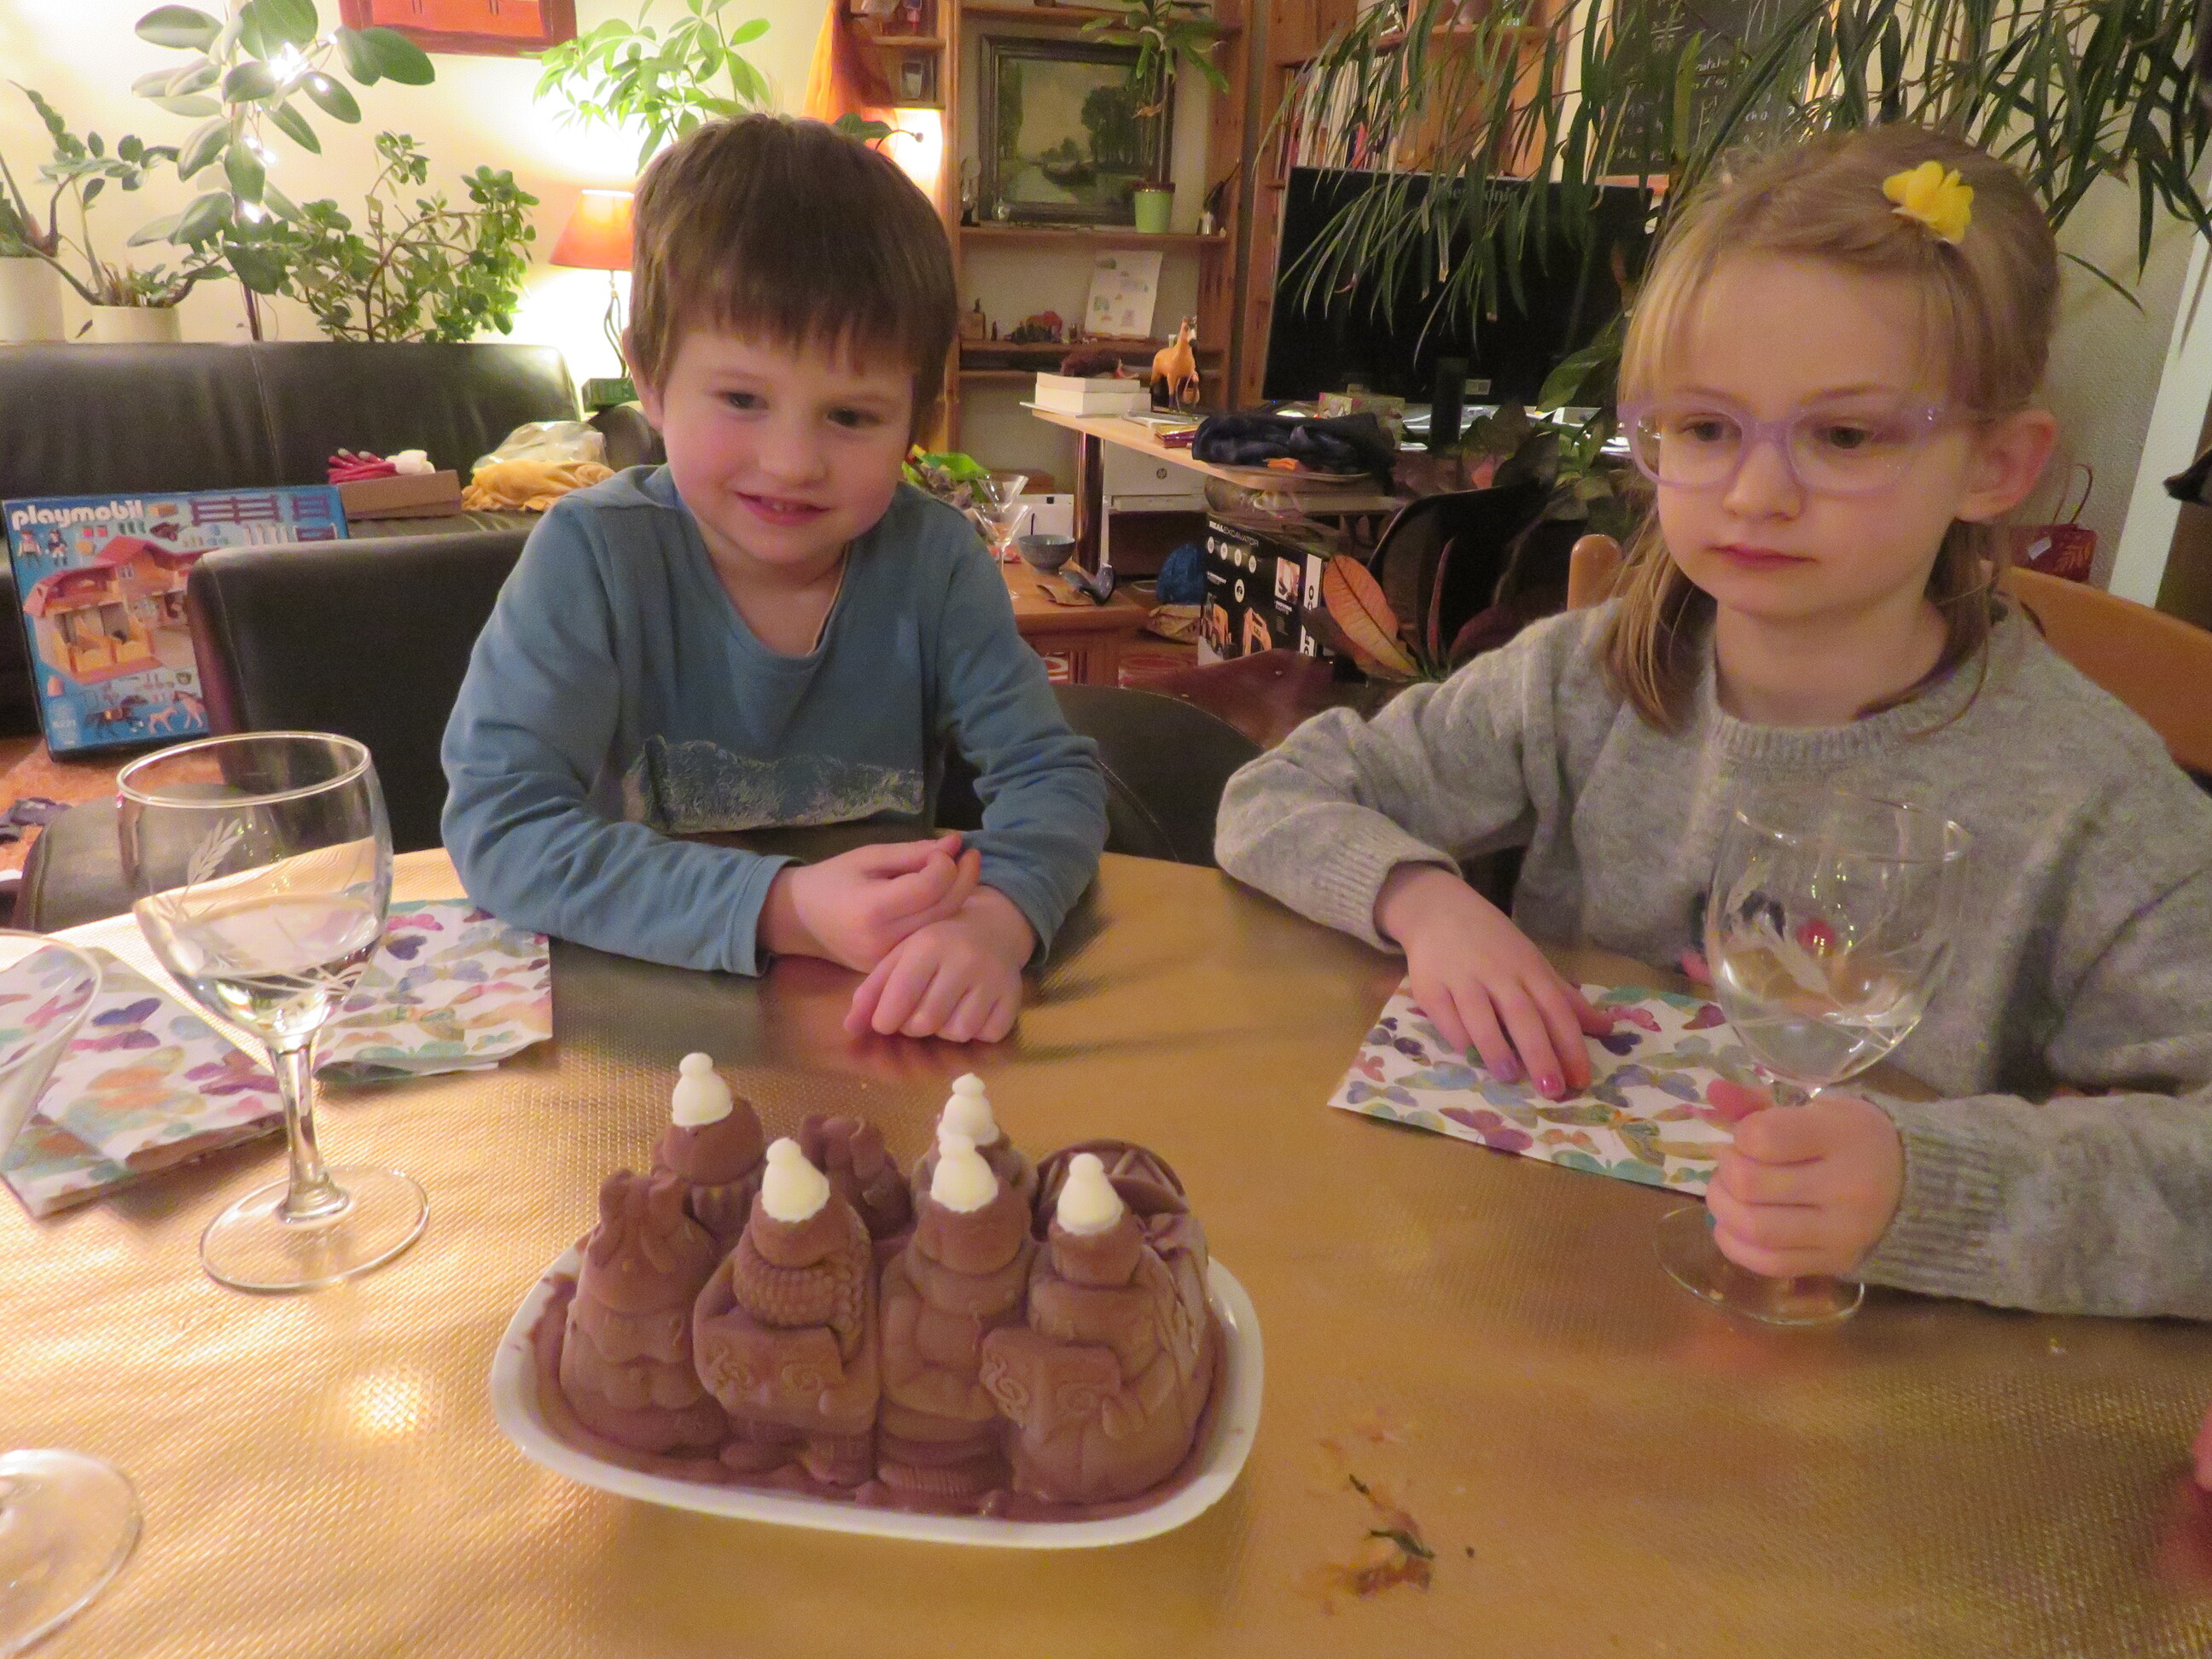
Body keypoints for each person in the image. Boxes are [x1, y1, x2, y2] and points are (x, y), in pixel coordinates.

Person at [1216, 124, 2212, 1319]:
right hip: (1553, 1291)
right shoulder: (1580, 682)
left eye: (1845, 435)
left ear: (1996, 464)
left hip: (1879, 1368)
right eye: (1703, 429)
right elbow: (1274, 795)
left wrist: (1931, 1185)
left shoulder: (2091, 795)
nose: (1755, 493)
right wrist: (1425, 901)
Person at [443, 116, 1106, 1045]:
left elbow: (1053, 778)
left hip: (884, 1031)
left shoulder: (937, 562)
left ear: (917, 420)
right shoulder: (590, 556)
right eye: (743, 399)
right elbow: (502, 826)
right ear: (651, 381)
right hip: (635, 1032)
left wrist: (996, 923)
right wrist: (785, 907)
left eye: (851, 416)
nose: (792, 463)